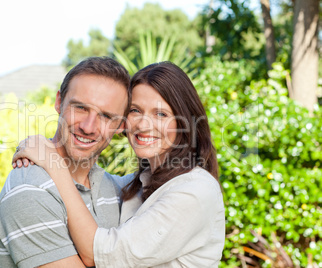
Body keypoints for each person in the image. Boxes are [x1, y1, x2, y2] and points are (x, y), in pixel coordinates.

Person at [14, 62, 226, 267]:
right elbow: (86, 180)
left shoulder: (195, 191)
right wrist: (36, 147)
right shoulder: (132, 186)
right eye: (135, 110)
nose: (143, 125)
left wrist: (54, 164)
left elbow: (100, 254)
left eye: (160, 114)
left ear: (185, 122)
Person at [0, 57, 133, 267]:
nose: (88, 126)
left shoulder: (117, 189)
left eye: (105, 116)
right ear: (59, 102)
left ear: (121, 126)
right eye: (81, 108)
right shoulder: (29, 189)